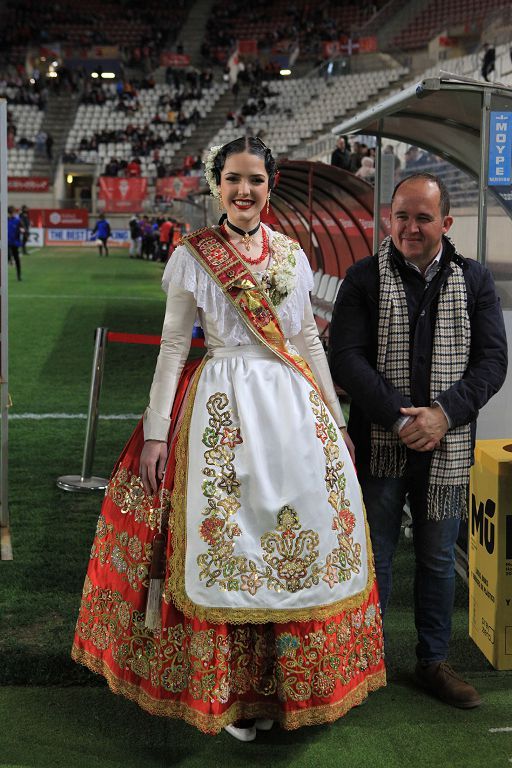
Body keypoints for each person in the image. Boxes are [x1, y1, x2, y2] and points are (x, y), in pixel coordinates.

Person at [72, 136, 385, 741]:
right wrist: (157, 433)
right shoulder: (193, 256)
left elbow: (307, 341)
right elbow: (172, 346)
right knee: (231, 549)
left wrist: (336, 419)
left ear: (270, 186)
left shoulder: (291, 254)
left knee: (289, 548)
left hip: (292, 412)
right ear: (217, 185)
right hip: (222, 408)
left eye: (256, 180)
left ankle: (282, 687)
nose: (245, 191)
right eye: (234, 179)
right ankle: (231, 694)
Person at [329, 172, 507, 709]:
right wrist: (399, 418)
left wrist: (443, 416)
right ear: (389, 219)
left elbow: (492, 362)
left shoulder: (474, 280)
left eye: (423, 217)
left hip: (446, 447)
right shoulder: (363, 277)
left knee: (436, 560)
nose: (410, 227)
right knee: (375, 557)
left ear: (445, 223)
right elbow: (346, 358)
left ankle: (433, 662)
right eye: (401, 216)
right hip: (380, 445)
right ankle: (367, 662)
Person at [7, 206, 23, 281]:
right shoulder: (5, 220)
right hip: (6, 242)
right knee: (7, 254)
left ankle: (18, 276)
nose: (11, 214)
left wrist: (22, 231)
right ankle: (10, 260)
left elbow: (22, 228)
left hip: (15, 242)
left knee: (17, 259)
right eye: (10, 213)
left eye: (12, 212)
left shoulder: (17, 221)